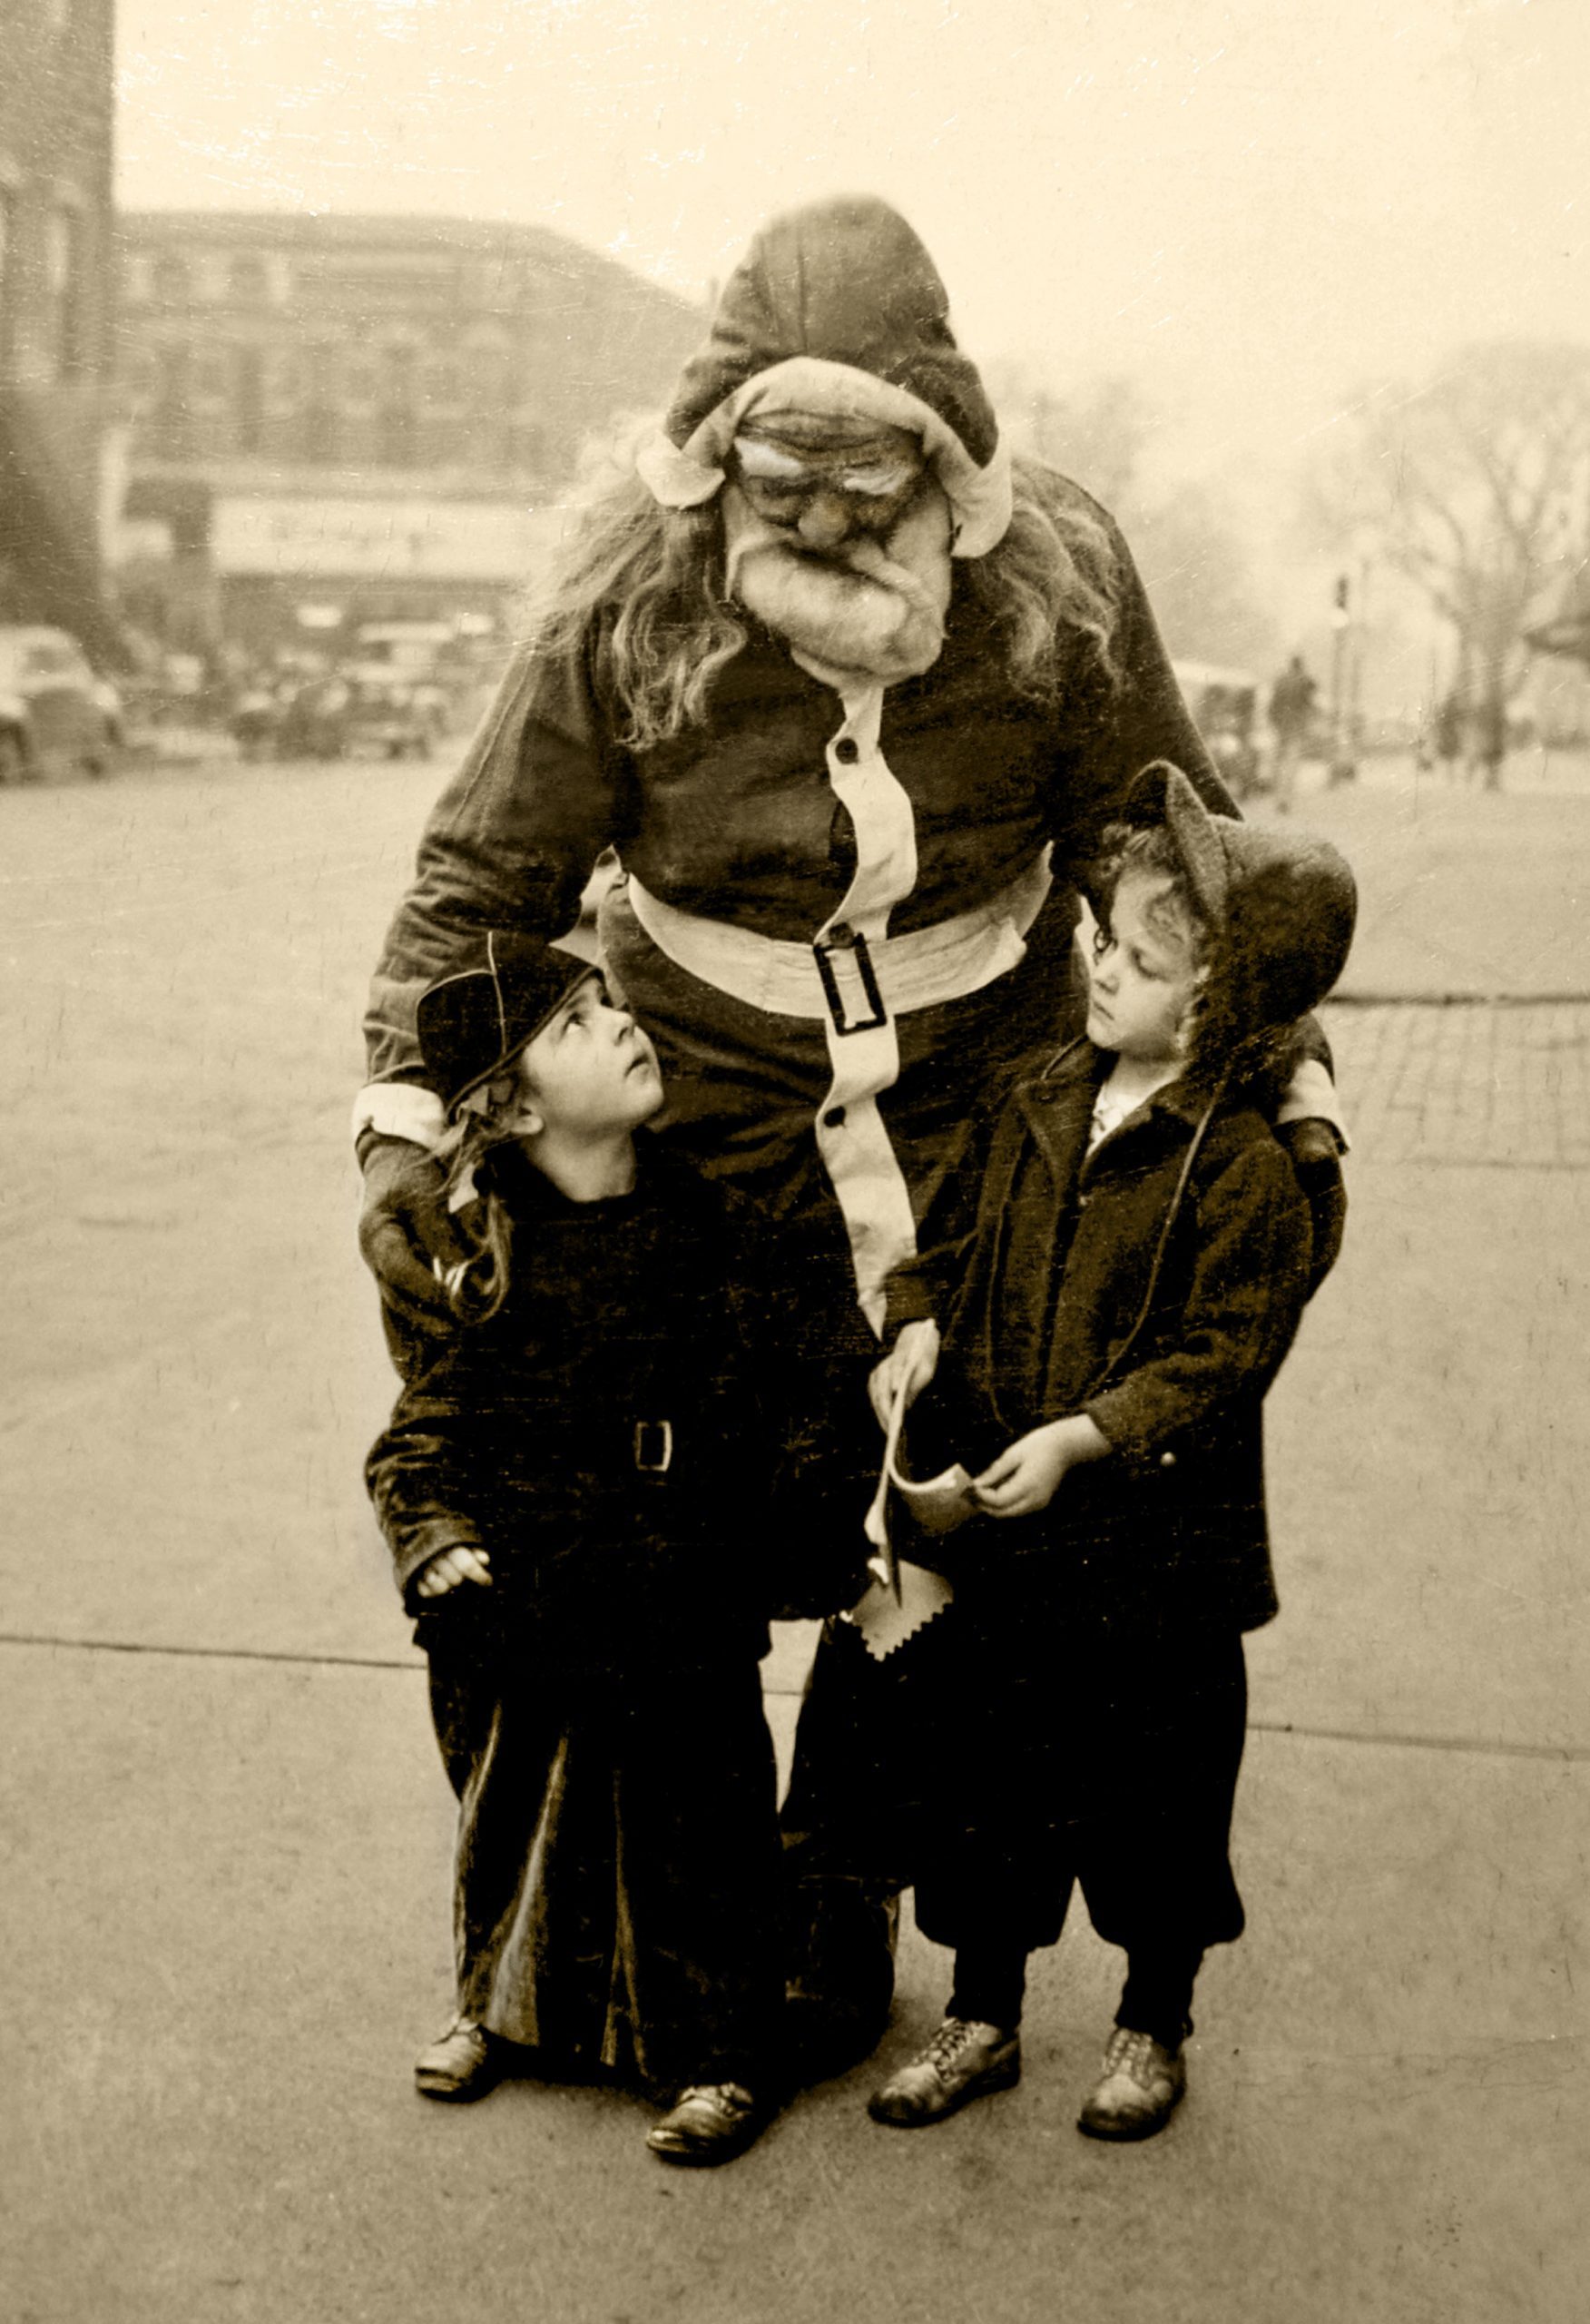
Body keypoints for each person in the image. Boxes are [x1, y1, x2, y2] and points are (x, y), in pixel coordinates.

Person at [353, 192, 1349, 2071]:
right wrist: (404, 1125)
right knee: (702, 1493)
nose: (818, 512)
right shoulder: (624, 586)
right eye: (778, 464)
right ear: (718, 435)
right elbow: (483, 870)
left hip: (993, 1099)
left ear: (947, 449)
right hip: (705, 1099)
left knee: (951, 1507)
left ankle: (849, 1897)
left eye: (866, 466)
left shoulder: (1053, 568)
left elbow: (1168, 826)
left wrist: (1283, 1075)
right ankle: (695, 1902)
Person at [857, 761, 1355, 2142]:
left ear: (1224, 1002)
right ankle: (985, 2010)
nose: (1100, 966)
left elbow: (1223, 1353)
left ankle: (1153, 2020)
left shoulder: (1240, 1167)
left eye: (1139, 958)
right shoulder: (1035, 1100)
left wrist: (1087, 1435)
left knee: (1159, 1798)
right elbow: (941, 1248)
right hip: (1017, 1549)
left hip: (1160, 1565)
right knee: (989, 1783)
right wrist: (914, 1325)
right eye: (1102, 938)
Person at [365, 934, 788, 2166]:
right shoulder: (489, 1255)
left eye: (607, 1003)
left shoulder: (711, 1226)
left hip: (676, 1577)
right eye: (573, 1023)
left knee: (699, 1819)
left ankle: (723, 2052)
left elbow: (775, 1404)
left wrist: (767, 1532)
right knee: (511, 1804)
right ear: (513, 1104)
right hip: (532, 1579)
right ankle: (500, 2004)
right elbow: (423, 1426)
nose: (618, 1025)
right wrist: (434, 1536)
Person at [1267, 652, 1317, 812]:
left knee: (1278, 765)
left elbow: (1272, 705)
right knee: (1291, 766)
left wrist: (1275, 722)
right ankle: (1285, 798)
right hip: (1296, 729)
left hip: (1281, 728)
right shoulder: (1304, 681)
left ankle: (1277, 796)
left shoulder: (1281, 681)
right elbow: (1310, 699)